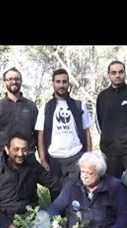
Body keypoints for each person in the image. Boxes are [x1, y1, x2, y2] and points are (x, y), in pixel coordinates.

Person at [0, 132, 61, 228]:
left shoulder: (32, 166)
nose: (20, 154)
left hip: (29, 215)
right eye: (16, 149)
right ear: (7, 150)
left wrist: (75, 182)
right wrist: (8, 225)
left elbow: (53, 184)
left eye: (24, 150)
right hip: (3, 217)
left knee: (46, 220)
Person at [47, 152, 127, 228]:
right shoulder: (72, 186)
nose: (84, 176)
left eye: (89, 173)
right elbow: (54, 208)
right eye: (82, 172)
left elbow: (124, 214)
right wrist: (56, 227)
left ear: (100, 173)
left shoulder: (114, 186)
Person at [35, 68, 92, 200]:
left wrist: (88, 155)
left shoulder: (79, 106)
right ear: (53, 83)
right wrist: (43, 159)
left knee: (78, 193)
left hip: (76, 156)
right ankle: (58, 220)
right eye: (58, 82)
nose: (61, 85)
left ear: (68, 84)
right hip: (54, 159)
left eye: (64, 82)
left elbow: (86, 132)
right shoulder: (46, 108)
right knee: (56, 194)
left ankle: (77, 220)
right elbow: (40, 135)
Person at [0, 67, 38, 168]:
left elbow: (39, 134)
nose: (14, 81)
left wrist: (42, 158)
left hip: (27, 158)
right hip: (3, 159)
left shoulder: (30, 106)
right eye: (10, 79)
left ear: (21, 81)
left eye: (17, 79)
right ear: (4, 82)